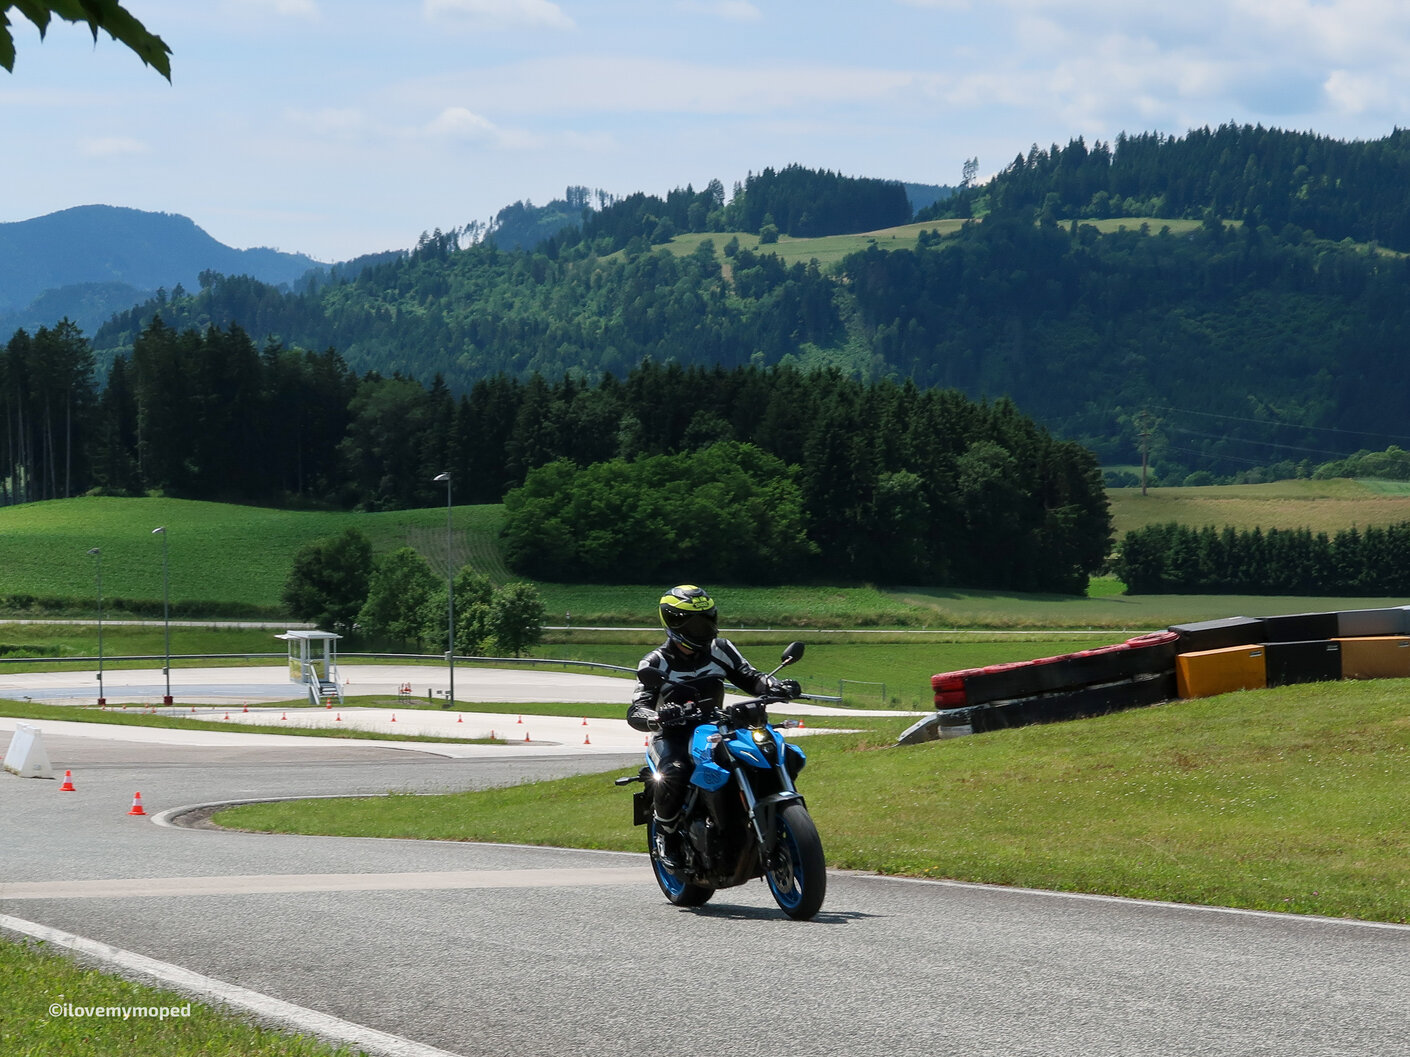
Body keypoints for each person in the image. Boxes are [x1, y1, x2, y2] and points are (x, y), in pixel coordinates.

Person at [626, 584, 799, 869]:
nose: (703, 628)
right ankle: (667, 836)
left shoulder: (721, 648)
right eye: (694, 622)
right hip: (674, 733)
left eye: (708, 618)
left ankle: (769, 817)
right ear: (673, 621)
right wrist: (657, 716)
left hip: (717, 727)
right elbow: (637, 707)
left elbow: (750, 677)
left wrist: (775, 685)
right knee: (674, 773)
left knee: (774, 752)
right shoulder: (655, 662)